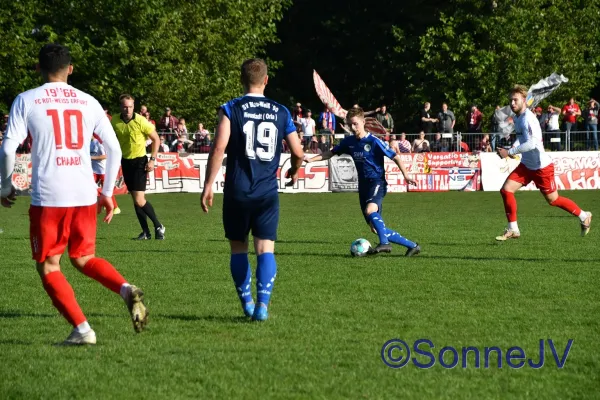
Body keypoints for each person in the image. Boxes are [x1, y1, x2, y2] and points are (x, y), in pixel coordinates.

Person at [0, 43, 148, 345]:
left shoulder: (27, 99)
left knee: (49, 265)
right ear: (70, 69)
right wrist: (107, 192)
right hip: (84, 194)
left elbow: (7, 147)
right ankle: (125, 289)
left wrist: (5, 184)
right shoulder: (88, 101)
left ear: (38, 68)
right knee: (83, 257)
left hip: (50, 196)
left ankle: (82, 330)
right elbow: (114, 149)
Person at [201, 58, 303, 321]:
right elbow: (298, 151)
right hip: (267, 192)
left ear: (240, 79)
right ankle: (263, 306)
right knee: (265, 249)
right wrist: (294, 169)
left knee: (238, 248)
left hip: (237, 190)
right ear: (266, 80)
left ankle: (246, 302)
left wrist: (208, 185)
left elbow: (219, 148)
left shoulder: (231, 108)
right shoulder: (281, 111)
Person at [305, 107, 421, 256]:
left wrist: (406, 175)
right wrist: (310, 160)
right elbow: (331, 153)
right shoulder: (349, 142)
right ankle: (412, 246)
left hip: (377, 182)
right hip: (363, 187)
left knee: (370, 211)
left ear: (363, 122)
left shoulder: (374, 141)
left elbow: (396, 157)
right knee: (375, 227)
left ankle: (385, 244)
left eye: (355, 124)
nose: (353, 128)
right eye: (350, 125)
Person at [495, 85, 592, 241]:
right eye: (510, 100)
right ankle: (513, 228)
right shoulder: (519, 118)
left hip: (542, 167)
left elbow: (532, 144)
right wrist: (511, 148)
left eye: (515, 100)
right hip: (527, 165)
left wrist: (510, 152)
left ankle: (584, 216)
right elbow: (522, 138)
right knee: (506, 190)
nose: (512, 103)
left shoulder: (528, 118)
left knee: (553, 200)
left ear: (524, 101)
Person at [112, 94, 165, 240]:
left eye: (130, 106)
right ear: (120, 106)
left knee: (139, 200)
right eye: (124, 106)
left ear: (133, 107)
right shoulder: (115, 121)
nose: (127, 109)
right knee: (136, 199)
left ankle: (158, 225)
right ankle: (146, 232)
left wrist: (152, 160)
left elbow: (156, 139)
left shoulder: (141, 121)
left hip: (140, 162)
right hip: (126, 161)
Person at [91, 136, 121, 215]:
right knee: (89, 187)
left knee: (106, 190)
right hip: (94, 170)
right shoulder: (88, 143)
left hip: (102, 171)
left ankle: (115, 207)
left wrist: (91, 157)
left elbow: (105, 156)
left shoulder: (99, 143)